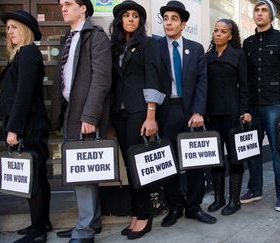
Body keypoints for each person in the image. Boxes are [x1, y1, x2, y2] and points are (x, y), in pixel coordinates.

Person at [51, 0, 112, 242]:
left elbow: (101, 79)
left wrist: (90, 115)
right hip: (70, 112)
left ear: (83, 8)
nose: (63, 8)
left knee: (83, 173)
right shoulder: (67, 37)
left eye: (68, 3)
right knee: (81, 172)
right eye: (61, 4)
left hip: (85, 114)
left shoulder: (96, 37)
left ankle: (84, 231)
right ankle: (90, 222)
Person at [157, 0, 216, 227]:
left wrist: (198, 111)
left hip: (191, 110)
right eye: (166, 19)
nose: (169, 23)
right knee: (169, 160)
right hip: (167, 110)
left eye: (174, 19)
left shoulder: (196, 48)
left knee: (195, 160)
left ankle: (193, 207)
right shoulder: (156, 47)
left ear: (183, 24)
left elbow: (202, 82)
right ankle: (175, 207)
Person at [109, 1, 164, 239]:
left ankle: (144, 217)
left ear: (140, 21)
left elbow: (154, 77)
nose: (131, 19)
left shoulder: (148, 43)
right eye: (126, 15)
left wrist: (151, 115)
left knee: (137, 167)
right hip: (119, 113)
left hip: (139, 111)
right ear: (120, 20)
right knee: (129, 168)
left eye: (135, 16)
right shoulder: (115, 46)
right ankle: (135, 213)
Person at [0, 10, 51, 243]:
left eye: (14, 27)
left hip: (29, 124)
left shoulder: (29, 53)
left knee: (34, 177)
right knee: (37, 175)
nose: (9, 31)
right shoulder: (20, 55)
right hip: (26, 123)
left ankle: (38, 231)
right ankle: (42, 222)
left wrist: (14, 128)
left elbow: (24, 94)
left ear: (26, 30)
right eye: (8, 27)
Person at [240, 0, 280, 212]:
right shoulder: (248, 42)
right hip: (253, 104)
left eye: (264, 10)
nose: (260, 13)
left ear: (271, 15)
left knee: (277, 151)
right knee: (252, 150)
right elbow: (245, 78)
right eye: (257, 10)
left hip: (275, 103)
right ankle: (255, 189)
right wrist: (244, 107)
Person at [205, 19, 251, 215]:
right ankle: (218, 198)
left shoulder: (239, 55)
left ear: (230, 36)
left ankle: (234, 200)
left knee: (234, 157)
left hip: (233, 114)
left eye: (223, 32)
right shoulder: (207, 57)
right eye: (216, 30)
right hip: (212, 115)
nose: (218, 34)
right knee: (216, 158)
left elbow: (245, 86)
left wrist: (245, 111)